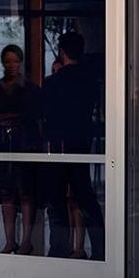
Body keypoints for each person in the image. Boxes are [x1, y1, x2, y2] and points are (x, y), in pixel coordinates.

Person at [39, 31, 105, 260]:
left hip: (57, 145)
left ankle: (59, 249)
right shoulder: (90, 82)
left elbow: (42, 112)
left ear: (62, 52)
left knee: (57, 200)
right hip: (81, 143)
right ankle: (100, 249)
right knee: (85, 196)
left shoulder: (52, 83)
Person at [0, 45, 41, 254]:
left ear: (20, 62)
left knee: (27, 193)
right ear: (2, 62)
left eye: (15, 60)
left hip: (25, 143)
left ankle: (27, 240)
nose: (11, 65)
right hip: (3, 143)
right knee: (6, 194)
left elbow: (36, 115)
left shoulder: (30, 88)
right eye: (8, 60)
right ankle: (10, 240)